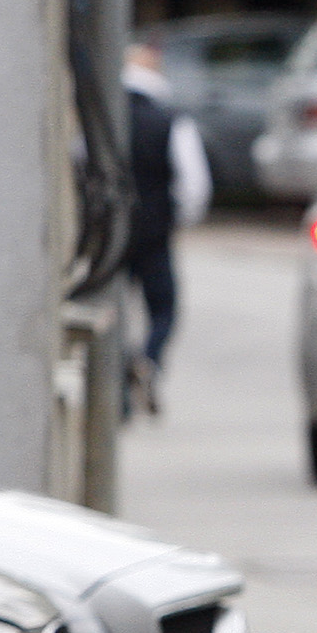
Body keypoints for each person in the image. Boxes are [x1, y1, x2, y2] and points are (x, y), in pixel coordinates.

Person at [121, 42, 211, 416]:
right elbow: (194, 184)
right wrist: (180, 218)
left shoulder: (104, 118)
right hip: (155, 230)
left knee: (113, 309)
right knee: (163, 310)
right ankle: (149, 359)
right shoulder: (171, 119)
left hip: (110, 233)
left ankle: (121, 389)